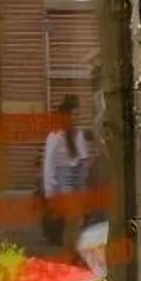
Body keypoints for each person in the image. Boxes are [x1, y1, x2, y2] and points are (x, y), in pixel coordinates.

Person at [40, 96, 90, 252]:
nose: (76, 118)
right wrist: (50, 192)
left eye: (77, 115)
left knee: (79, 219)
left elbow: (83, 158)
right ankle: (70, 252)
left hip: (79, 176)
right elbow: (49, 164)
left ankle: (75, 250)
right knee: (70, 218)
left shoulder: (78, 134)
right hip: (64, 178)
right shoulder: (55, 136)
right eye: (74, 115)